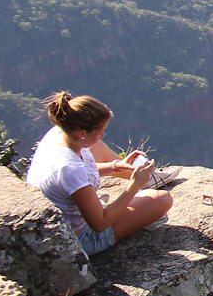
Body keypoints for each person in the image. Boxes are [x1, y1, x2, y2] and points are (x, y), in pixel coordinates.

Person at [26, 91, 173, 257]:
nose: (104, 134)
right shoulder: (70, 169)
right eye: (101, 130)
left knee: (95, 145)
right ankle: (141, 184)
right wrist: (133, 187)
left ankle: (100, 200)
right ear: (82, 133)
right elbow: (100, 224)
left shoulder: (58, 133)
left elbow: (80, 169)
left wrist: (116, 166)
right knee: (161, 199)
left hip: (58, 211)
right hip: (78, 236)